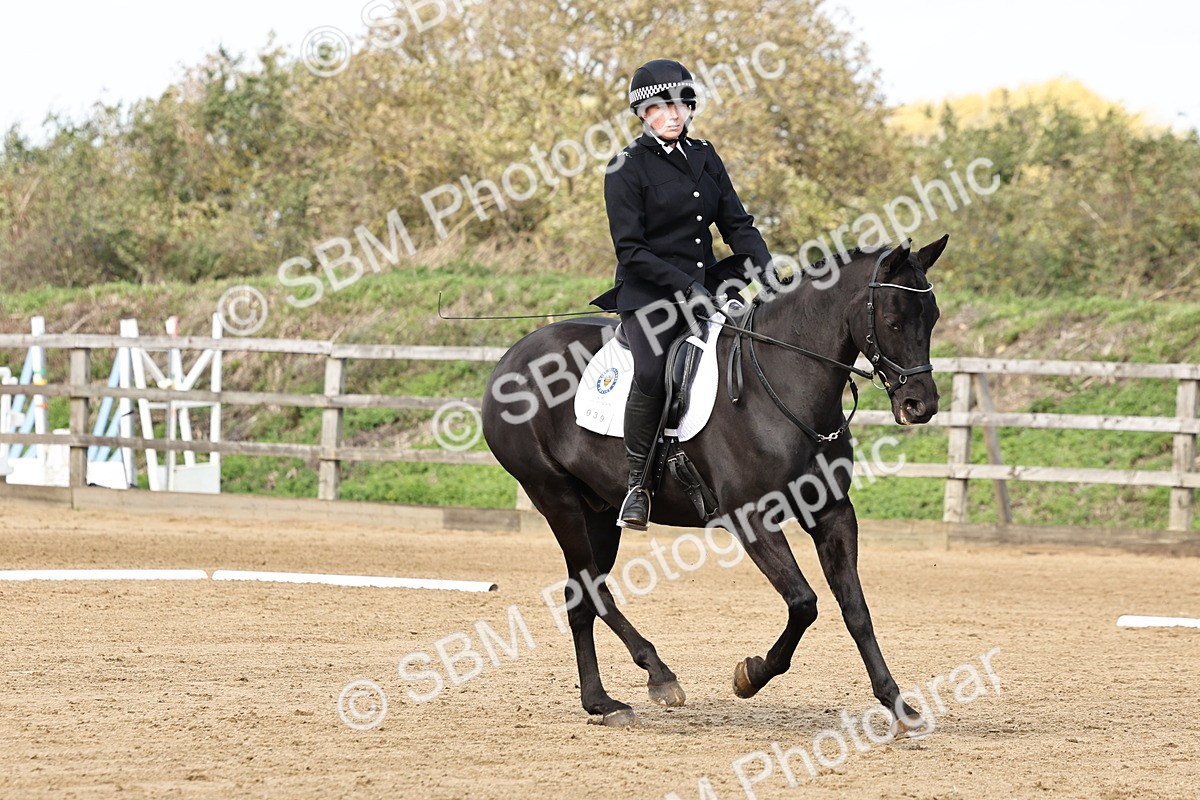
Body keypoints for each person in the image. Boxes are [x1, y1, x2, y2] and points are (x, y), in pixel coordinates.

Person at [592, 58, 774, 530]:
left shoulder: (704, 155)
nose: (674, 114)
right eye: (661, 107)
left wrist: (769, 270)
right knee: (653, 373)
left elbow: (737, 224)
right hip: (650, 293)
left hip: (705, 280)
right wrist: (687, 288)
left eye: (681, 104)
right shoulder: (625, 168)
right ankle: (637, 484)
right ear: (643, 114)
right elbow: (631, 251)